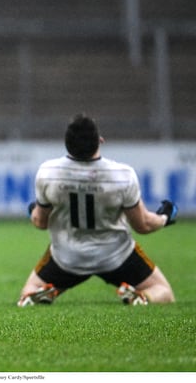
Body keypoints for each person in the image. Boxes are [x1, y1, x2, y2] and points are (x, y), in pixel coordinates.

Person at [17, 114, 177, 307]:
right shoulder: (122, 175)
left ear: (67, 144)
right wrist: (165, 216)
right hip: (116, 255)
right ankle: (142, 297)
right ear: (100, 141)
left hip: (68, 257)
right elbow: (143, 225)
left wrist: (33, 210)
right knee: (163, 292)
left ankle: (47, 291)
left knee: (27, 293)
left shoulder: (48, 172)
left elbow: (40, 222)